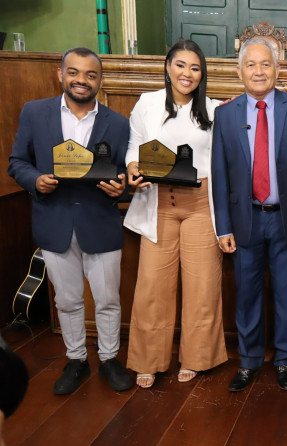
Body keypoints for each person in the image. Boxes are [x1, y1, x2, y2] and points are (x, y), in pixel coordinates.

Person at [8, 47, 133, 394]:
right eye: (74, 72)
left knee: (108, 300)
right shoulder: (35, 113)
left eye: (91, 75)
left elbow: (124, 172)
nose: (82, 80)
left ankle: (109, 360)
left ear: (100, 80)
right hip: (54, 221)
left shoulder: (118, 123)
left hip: (101, 223)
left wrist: (119, 188)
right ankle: (76, 360)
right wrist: (35, 180)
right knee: (67, 300)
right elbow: (18, 162)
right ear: (60, 74)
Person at [212, 37, 287, 392]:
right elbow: (220, 175)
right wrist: (223, 226)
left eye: (266, 64)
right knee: (247, 294)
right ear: (239, 71)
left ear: (278, 69)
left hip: (286, 218)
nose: (259, 71)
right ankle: (250, 360)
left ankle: (285, 360)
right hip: (246, 220)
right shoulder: (225, 115)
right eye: (251, 64)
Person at [123, 40, 228, 389]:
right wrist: (133, 165)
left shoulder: (213, 110)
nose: (187, 73)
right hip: (158, 202)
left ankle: (197, 357)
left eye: (195, 68)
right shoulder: (147, 103)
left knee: (202, 285)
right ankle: (148, 359)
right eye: (181, 65)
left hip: (200, 205)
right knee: (153, 285)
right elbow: (132, 146)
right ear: (168, 66)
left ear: (203, 74)